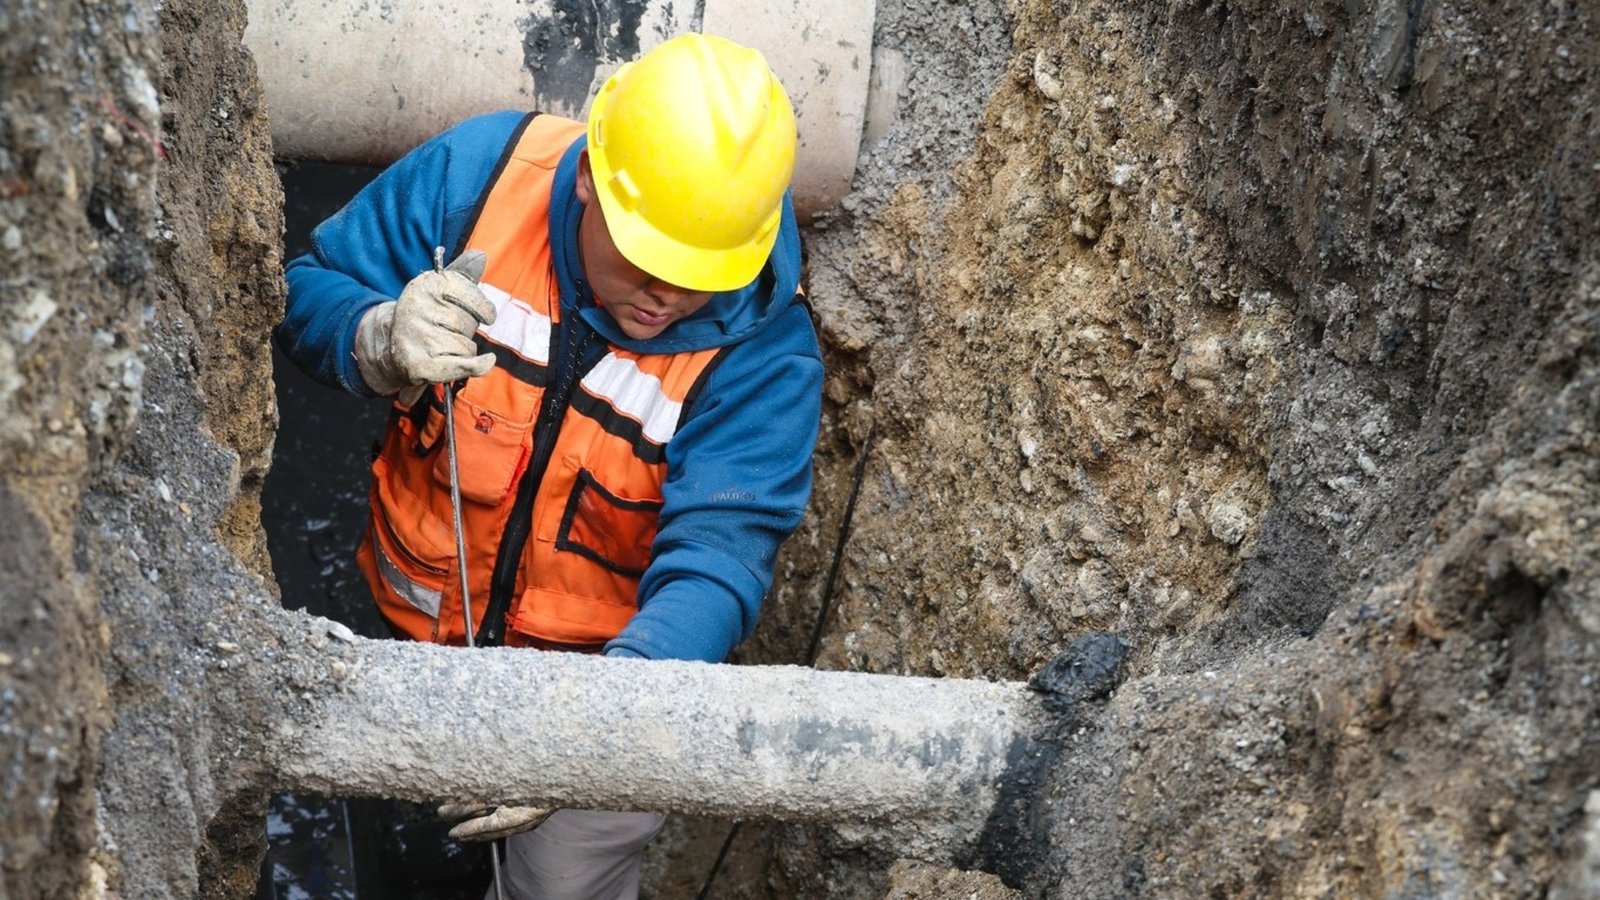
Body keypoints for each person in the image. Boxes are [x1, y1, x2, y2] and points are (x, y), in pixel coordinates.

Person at [273, 33, 823, 900]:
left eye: (697, 277)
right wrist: (374, 337)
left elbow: (716, 566)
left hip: (613, 690)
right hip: (410, 633)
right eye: (646, 261)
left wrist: (591, 741)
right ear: (585, 182)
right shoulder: (478, 185)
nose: (666, 298)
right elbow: (299, 287)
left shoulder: (763, 357)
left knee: (565, 883)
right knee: (397, 853)